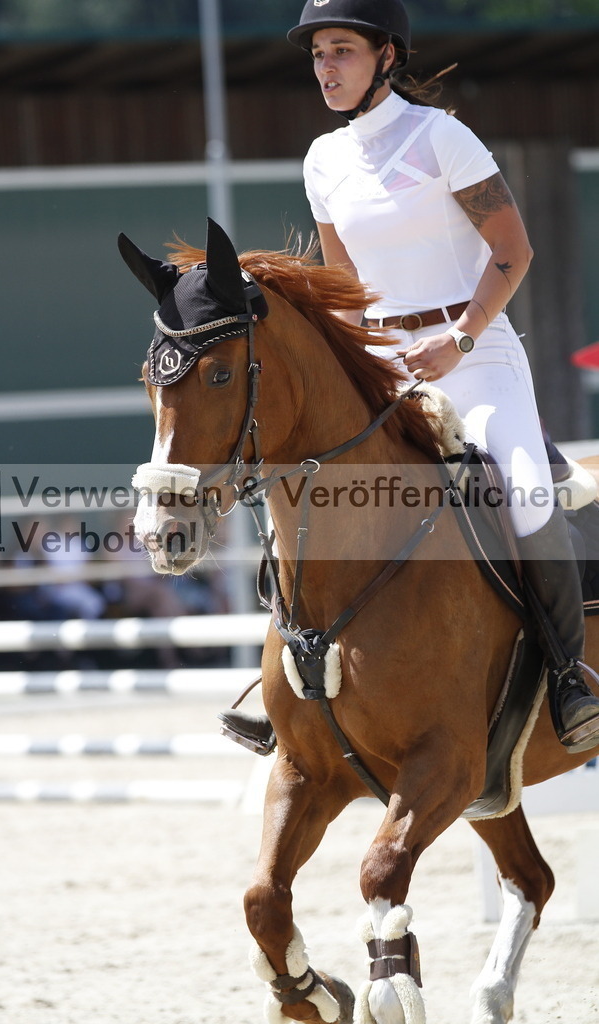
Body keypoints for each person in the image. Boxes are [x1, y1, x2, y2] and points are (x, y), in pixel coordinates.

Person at [219, 0, 599, 756]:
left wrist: (457, 340)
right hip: (383, 362)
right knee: (306, 485)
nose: (325, 67)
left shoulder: (442, 138)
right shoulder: (323, 160)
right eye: (317, 54)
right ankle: (280, 682)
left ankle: (568, 674)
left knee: (521, 491)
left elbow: (512, 252)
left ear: (384, 56)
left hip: (476, 353)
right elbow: (346, 284)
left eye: (341, 51)